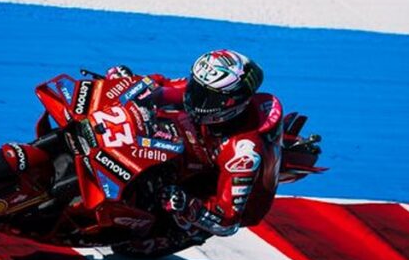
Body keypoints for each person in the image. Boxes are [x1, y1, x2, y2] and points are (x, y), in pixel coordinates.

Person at [111, 49, 282, 240]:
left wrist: (187, 205)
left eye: (207, 96)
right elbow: (160, 86)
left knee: (162, 220)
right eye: (195, 85)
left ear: (232, 103)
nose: (193, 96)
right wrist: (127, 81)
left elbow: (227, 221)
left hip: (213, 192)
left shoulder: (243, 154)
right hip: (201, 143)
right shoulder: (204, 92)